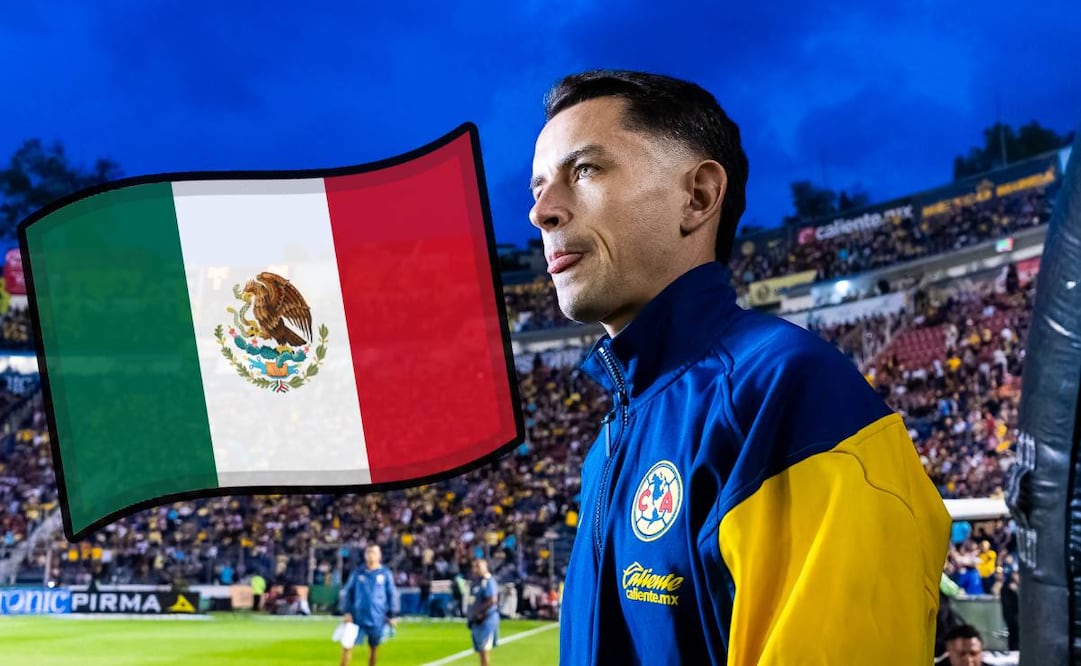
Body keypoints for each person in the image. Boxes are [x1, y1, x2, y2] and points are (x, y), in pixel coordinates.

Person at [527, 69, 953, 664]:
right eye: (537, 188)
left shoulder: (789, 397)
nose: (542, 212)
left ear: (698, 196)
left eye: (584, 171)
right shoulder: (614, 434)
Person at [341, 545, 400, 666]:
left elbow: (392, 594)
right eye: (368, 552)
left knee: (373, 649)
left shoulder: (385, 574)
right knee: (347, 646)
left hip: (376, 618)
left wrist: (393, 614)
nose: (370, 555)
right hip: (356, 618)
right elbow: (347, 592)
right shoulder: (358, 573)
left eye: (373, 552)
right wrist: (347, 612)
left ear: (379, 555)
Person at [467, 558, 500, 666]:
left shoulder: (488, 581)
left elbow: (492, 599)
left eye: (478, 567)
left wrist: (479, 611)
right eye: (474, 567)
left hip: (486, 619)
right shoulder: (476, 582)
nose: (475, 569)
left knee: (485, 650)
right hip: (476, 621)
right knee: (481, 650)